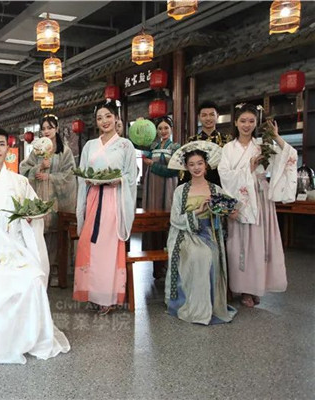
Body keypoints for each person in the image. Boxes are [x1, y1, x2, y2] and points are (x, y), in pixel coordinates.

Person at [0, 126, 70, 364]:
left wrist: (31, 218)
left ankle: (30, 339)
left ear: (8, 148)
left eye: (1, 144)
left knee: (32, 280)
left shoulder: (19, 182)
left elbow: (34, 211)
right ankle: (0, 344)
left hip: (17, 249)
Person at [218, 103, 298, 308]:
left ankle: (257, 286)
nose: (247, 125)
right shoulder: (228, 148)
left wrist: (276, 136)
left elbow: (288, 156)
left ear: (256, 123)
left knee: (261, 242)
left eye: (251, 121)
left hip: (261, 198)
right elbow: (224, 175)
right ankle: (245, 288)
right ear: (236, 122)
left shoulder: (262, 145)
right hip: (242, 199)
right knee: (243, 244)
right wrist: (249, 168)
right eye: (243, 121)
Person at [74, 100, 137, 315]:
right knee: (88, 244)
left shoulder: (125, 145)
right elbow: (82, 173)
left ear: (116, 118)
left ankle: (107, 297)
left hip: (113, 200)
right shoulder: (90, 145)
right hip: (93, 197)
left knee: (108, 248)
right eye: (100, 118)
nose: (104, 121)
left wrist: (118, 180)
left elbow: (131, 175)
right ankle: (92, 293)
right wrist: (88, 181)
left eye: (108, 116)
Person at [165, 144, 237, 325]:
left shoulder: (216, 189)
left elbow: (227, 211)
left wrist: (229, 211)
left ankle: (209, 305)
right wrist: (198, 211)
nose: (196, 168)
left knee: (209, 254)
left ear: (206, 165)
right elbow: (175, 219)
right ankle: (192, 305)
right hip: (184, 234)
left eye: (200, 163)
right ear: (186, 167)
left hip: (209, 233)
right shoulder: (181, 190)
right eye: (191, 164)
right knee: (199, 255)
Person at [20, 114, 77, 286]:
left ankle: (56, 271)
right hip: (39, 197)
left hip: (57, 201)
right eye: (43, 128)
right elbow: (23, 169)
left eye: (50, 128)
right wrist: (39, 167)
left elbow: (70, 175)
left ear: (56, 129)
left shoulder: (64, 152)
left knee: (56, 235)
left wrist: (49, 176)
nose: (46, 131)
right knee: (39, 234)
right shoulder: (36, 152)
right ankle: (40, 270)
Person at [141, 116, 181, 278]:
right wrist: (141, 126)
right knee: (153, 223)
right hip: (152, 189)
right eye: (160, 128)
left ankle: (170, 265)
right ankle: (156, 266)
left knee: (168, 222)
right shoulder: (152, 146)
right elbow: (137, 144)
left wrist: (153, 165)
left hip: (169, 187)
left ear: (171, 129)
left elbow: (174, 170)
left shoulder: (176, 147)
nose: (163, 131)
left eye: (166, 128)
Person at [180, 101, 230, 186]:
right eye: (204, 115)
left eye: (212, 115)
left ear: (217, 116)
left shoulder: (227, 140)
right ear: (199, 117)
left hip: (222, 184)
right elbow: (185, 167)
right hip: (197, 185)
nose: (208, 118)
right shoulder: (192, 141)